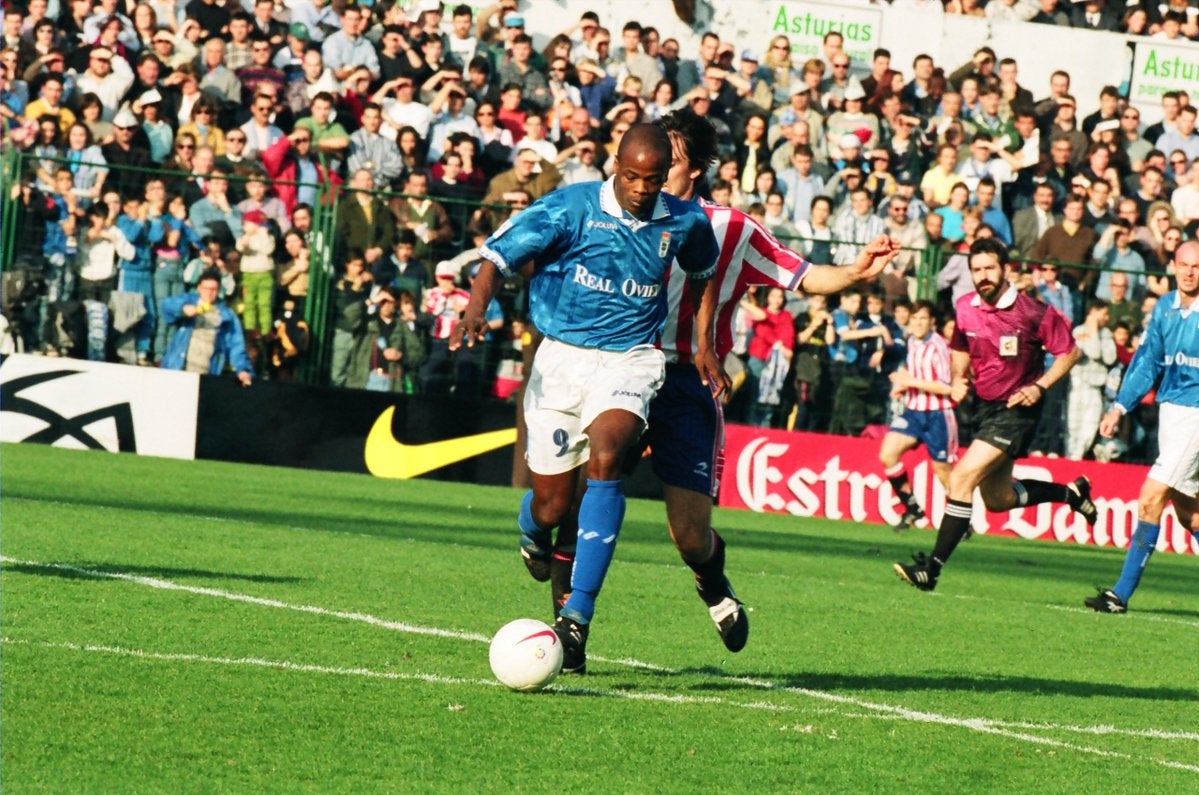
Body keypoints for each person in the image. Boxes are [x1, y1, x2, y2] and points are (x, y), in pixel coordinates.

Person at [450, 123, 722, 674]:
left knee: (608, 457)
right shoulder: (569, 208)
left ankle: (577, 616)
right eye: (632, 177)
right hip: (561, 359)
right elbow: (497, 258)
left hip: (631, 359)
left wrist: (705, 344)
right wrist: (476, 307)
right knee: (551, 505)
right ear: (614, 167)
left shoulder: (685, 218)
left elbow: (705, 270)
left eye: (653, 178)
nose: (643, 189)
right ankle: (532, 531)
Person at [894, 238, 1098, 591]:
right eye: (976, 270)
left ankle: (932, 569)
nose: (983, 276)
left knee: (961, 479)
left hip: (1018, 410)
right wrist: (959, 378)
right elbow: (960, 344)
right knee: (998, 500)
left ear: (1006, 270)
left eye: (990, 268)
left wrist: (1040, 387)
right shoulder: (965, 307)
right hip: (985, 410)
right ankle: (1072, 495)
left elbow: (1070, 352)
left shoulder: (1033, 311)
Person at [1085, 241, 1199, 613]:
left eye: (1196, 266)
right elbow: (1148, 363)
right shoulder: (1165, 308)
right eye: (1183, 265)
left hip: (1196, 416)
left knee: (1151, 497)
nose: (1189, 272)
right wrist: (1119, 407)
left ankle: (1120, 594)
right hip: (1171, 412)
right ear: (1172, 266)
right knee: (1188, 513)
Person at [879, 300, 957, 531]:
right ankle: (912, 508)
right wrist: (901, 387)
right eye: (914, 319)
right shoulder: (912, 341)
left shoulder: (938, 346)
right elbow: (915, 373)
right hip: (914, 412)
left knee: (943, 471)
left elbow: (946, 387)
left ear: (932, 321)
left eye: (923, 318)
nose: (918, 323)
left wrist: (909, 382)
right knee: (888, 455)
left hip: (938, 415)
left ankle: (962, 520)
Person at [160, 269, 254, 384]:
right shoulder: (189, 300)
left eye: (213, 289)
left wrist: (243, 369)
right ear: (199, 287)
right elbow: (166, 306)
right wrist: (182, 309)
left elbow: (236, 345)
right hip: (179, 368)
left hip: (207, 374)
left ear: (219, 290)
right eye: (206, 288)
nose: (209, 293)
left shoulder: (227, 315)